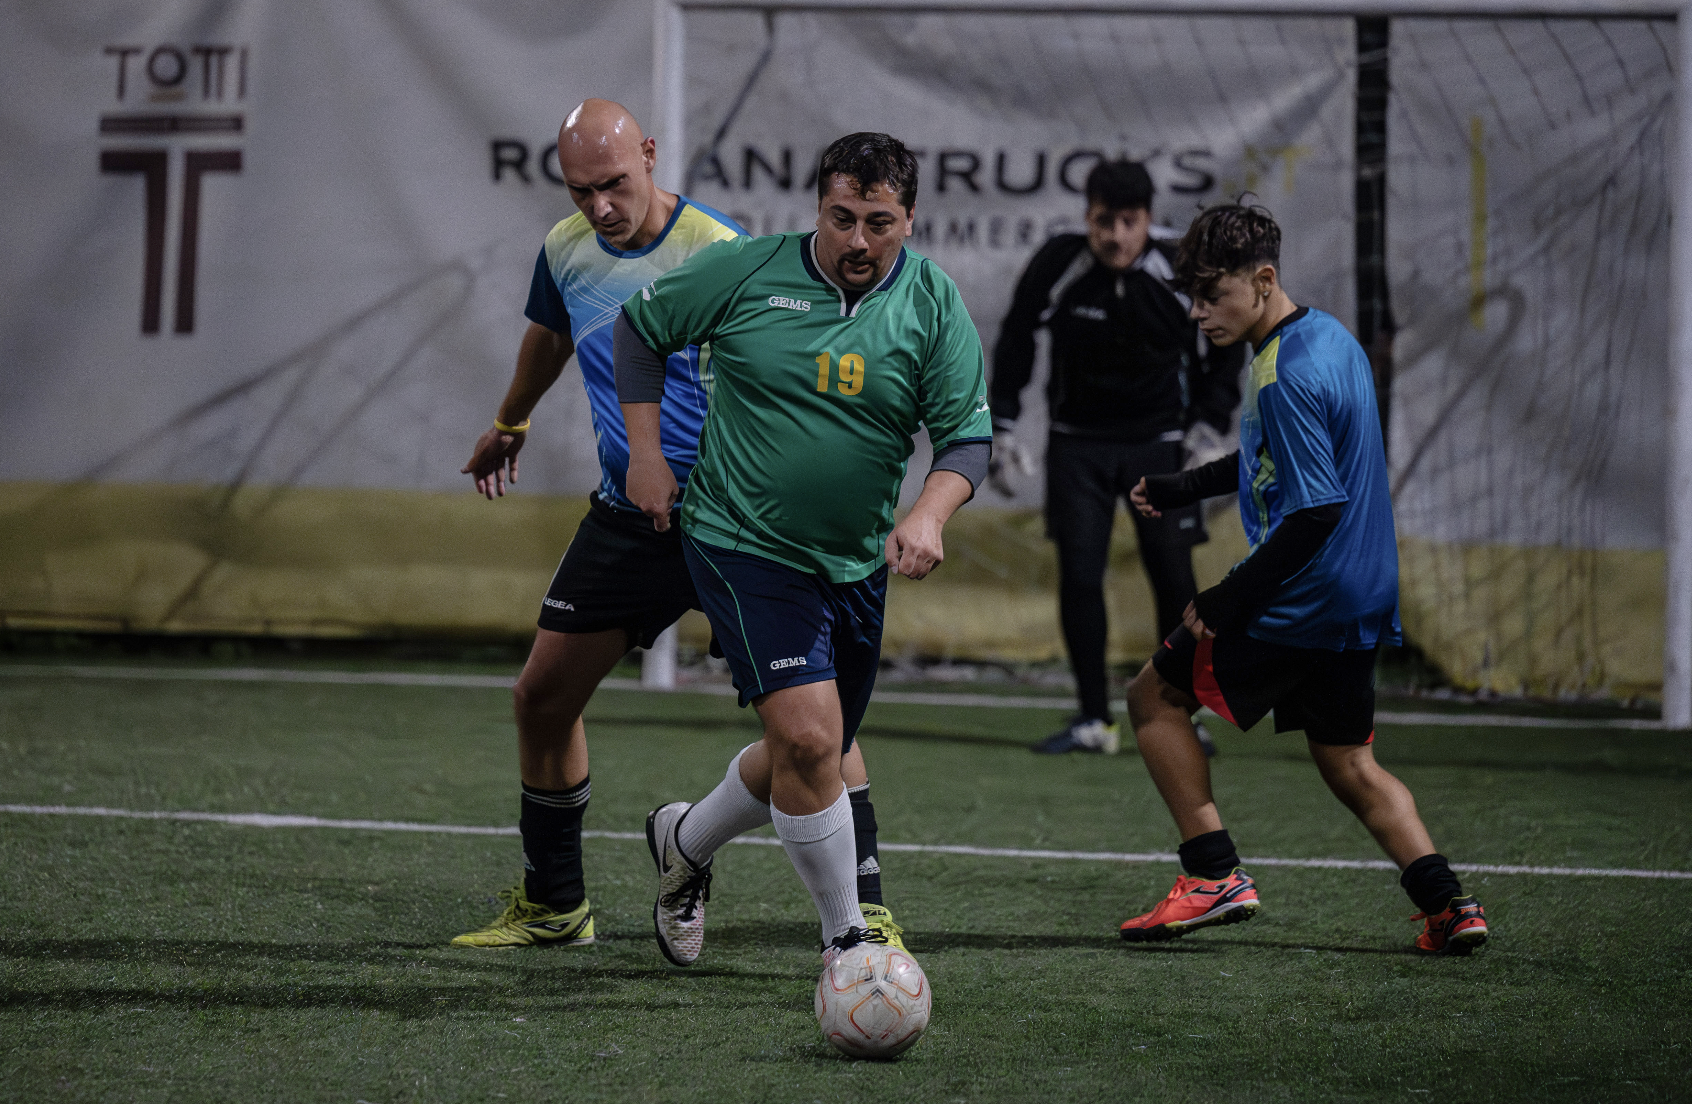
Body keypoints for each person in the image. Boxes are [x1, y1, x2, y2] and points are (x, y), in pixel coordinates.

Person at [451, 101, 891, 948]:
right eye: (581, 191)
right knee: (542, 697)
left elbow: (780, 375)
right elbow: (550, 336)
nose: (600, 206)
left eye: (614, 184)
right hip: (630, 520)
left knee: (818, 727)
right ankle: (555, 906)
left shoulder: (717, 250)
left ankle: (867, 916)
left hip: (734, 522)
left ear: (649, 155)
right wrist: (511, 420)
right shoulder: (565, 249)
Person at [614, 132, 991, 967]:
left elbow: (966, 438)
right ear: (818, 208)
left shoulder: (932, 302)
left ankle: (685, 840)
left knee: (806, 747)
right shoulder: (748, 270)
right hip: (740, 541)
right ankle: (848, 942)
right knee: (816, 741)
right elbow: (639, 332)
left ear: (910, 219)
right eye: (841, 218)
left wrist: (929, 514)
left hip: (854, 564)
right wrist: (646, 454)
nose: (857, 240)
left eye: (878, 223)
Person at [1116, 203, 1488, 955]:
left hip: (1305, 596)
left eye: (1212, 295)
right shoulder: (1327, 337)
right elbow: (1277, 459)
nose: (1198, 314)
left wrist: (1227, 598)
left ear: (1263, 280)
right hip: (1361, 595)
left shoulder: (1282, 373)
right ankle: (1449, 906)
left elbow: (1315, 511)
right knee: (1350, 761)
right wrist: (1187, 486)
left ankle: (1212, 874)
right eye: (1193, 297)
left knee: (1153, 698)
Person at [990, 160, 1243, 757]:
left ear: (1148, 220)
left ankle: (1180, 716)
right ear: (1087, 217)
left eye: (1129, 222)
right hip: (1076, 444)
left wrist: (1209, 424)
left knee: (1173, 576)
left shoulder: (1182, 266)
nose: (1115, 236)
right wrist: (1000, 423)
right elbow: (1018, 334)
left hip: (1162, 446)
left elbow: (1227, 341)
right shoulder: (1060, 260)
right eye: (1104, 221)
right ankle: (1093, 721)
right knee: (1080, 575)